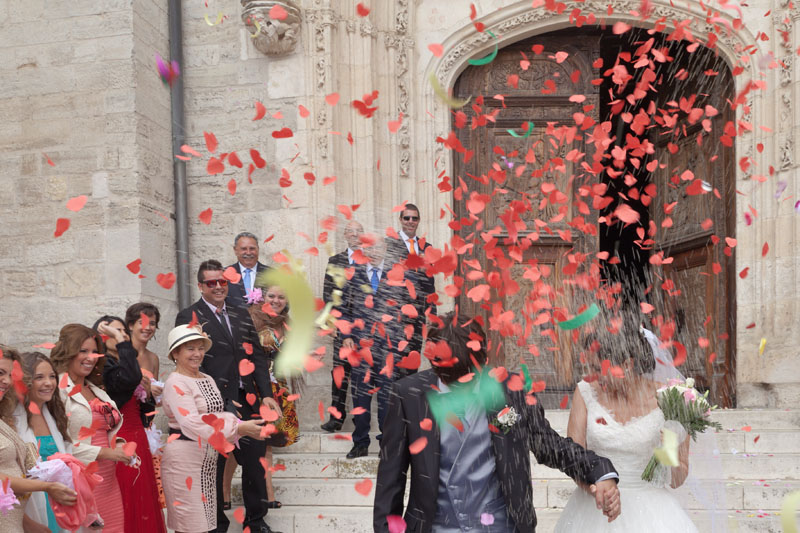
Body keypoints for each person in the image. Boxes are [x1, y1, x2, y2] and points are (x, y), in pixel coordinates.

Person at [373, 312, 621, 532]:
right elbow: (391, 480)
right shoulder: (408, 396)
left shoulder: (512, 391)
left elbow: (548, 445)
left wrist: (599, 470)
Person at [553, 328, 697, 532]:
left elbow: (676, 480)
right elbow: (573, 458)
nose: (592, 375)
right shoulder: (584, 391)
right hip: (594, 508)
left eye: (597, 368)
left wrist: (667, 452)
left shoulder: (670, 400)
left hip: (652, 513)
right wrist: (596, 489)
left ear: (627, 365)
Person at [175, 259, 280, 533]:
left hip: (248, 399)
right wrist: (220, 399)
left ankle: (256, 522)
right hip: (214, 403)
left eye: (223, 281)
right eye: (212, 283)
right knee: (216, 466)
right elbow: (194, 362)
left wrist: (266, 394)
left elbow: (255, 355)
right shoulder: (189, 316)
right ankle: (216, 525)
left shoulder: (240, 313)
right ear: (200, 286)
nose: (219, 287)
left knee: (256, 464)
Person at [160, 324, 269, 533]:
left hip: (208, 459)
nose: (197, 354)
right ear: (176, 353)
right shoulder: (176, 382)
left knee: (207, 522)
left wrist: (234, 422)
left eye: (200, 348)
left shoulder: (207, 378)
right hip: (184, 460)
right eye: (190, 348)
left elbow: (216, 413)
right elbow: (192, 422)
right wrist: (239, 427)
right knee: (191, 525)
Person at [51, 324, 132, 533]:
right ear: (67, 351)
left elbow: (104, 429)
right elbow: (59, 445)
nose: (90, 357)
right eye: (83, 351)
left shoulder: (94, 388)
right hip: (79, 482)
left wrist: (119, 445)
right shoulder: (56, 389)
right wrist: (106, 452)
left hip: (108, 482)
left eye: (93, 352)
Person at [340, 239, 413, 460]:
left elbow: (406, 310)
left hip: (388, 348)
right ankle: (360, 442)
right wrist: (346, 336)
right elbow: (343, 308)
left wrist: (401, 340)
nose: (373, 250)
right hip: (361, 349)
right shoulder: (353, 274)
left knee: (386, 401)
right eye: (369, 247)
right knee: (360, 399)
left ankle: (386, 444)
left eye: (378, 247)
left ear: (384, 250)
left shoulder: (396, 275)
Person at [97, 309, 167, 533]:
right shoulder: (103, 365)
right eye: (115, 331)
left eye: (122, 331)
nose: (121, 334)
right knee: (125, 494)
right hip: (120, 436)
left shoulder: (127, 362)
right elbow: (127, 380)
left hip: (139, 433)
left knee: (144, 495)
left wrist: (147, 394)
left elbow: (145, 408)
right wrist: (121, 343)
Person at [0, 345, 77, 533]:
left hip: (50, 501)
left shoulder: (54, 416)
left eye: (52, 376)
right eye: (39, 377)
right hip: (22, 509)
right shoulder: (11, 419)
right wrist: (45, 487)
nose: (49, 383)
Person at [248, 284, 301, 509]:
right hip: (255, 389)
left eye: (281, 296)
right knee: (245, 443)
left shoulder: (287, 325)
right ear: (262, 297)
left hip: (277, 388)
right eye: (271, 296)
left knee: (267, 442)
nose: (276, 300)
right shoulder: (251, 320)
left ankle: (267, 494)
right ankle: (227, 492)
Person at [320, 220, 364, 433]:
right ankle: (336, 418)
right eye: (351, 231)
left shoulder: (369, 260)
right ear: (346, 235)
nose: (355, 235)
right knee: (339, 373)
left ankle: (360, 421)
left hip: (364, 329)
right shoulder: (335, 261)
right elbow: (328, 296)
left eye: (359, 232)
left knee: (361, 376)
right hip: (341, 328)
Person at [386, 203, 437, 379]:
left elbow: (430, 285)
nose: (410, 221)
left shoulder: (426, 247)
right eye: (406, 218)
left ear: (419, 221)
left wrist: (431, 315)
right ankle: (395, 406)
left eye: (414, 218)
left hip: (418, 319)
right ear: (400, 220)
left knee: (412, 365)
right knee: (394, 368)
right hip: (396, 318)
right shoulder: (389, 245)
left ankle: (407, 405)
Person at [227, 232, 271, 309]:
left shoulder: (271, 274)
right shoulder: (225, 274)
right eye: (243, 249)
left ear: (258, 249)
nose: (248, 252)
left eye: (252, 248)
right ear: (235, 250)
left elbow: (284, 303)